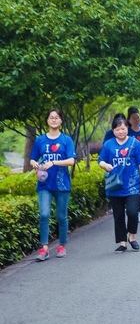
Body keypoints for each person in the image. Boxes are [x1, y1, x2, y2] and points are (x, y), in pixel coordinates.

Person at [30, 109, 76, 261]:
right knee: (44, 215)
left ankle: (62, 245)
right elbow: (32, 158)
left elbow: (71, 160)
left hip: (62, 184)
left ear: (61, 121)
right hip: (44, 183)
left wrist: (54, 162)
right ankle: (44, 248)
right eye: (51, 118)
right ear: (47, 121)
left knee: (61, 216)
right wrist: (35, 163)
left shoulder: (66, 140)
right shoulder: (40, 140)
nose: (54, 120)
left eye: (56, 118)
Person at [98, 115, 140, 253]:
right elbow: (100, 160)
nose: (121, 131)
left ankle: (132, 236)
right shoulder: (108, 145)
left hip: (133, 185)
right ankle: (122, 242)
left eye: (123, 128)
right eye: (118, 129)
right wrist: (105, 165)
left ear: (127, 129)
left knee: (132, 212)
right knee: (118, 215)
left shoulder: (135, 143)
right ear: (113, 131)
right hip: (115, 186)